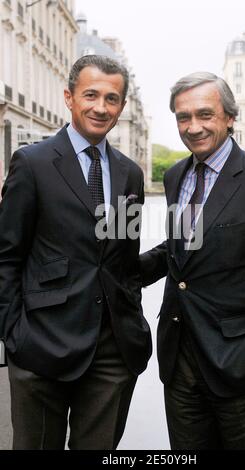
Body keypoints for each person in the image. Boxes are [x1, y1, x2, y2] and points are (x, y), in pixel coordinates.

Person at [140, 72, 245, 450]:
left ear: (229, 116)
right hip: (180, 361)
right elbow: (181, 248)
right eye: (183, 117)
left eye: (204, 114)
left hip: (242, 366)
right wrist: (119, 268)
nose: (193, 127)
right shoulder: (177, 175)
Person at [0, 55, 152, 450]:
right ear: (69, 98)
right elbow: (7, 256)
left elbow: (123, 260)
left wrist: (130, 321)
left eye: (112, 98)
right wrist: (14, 336)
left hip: (110, 353)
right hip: (40, 347)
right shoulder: (31, 164)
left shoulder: (130, 173)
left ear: (121, 106)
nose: (101, 107)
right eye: (91, 95)